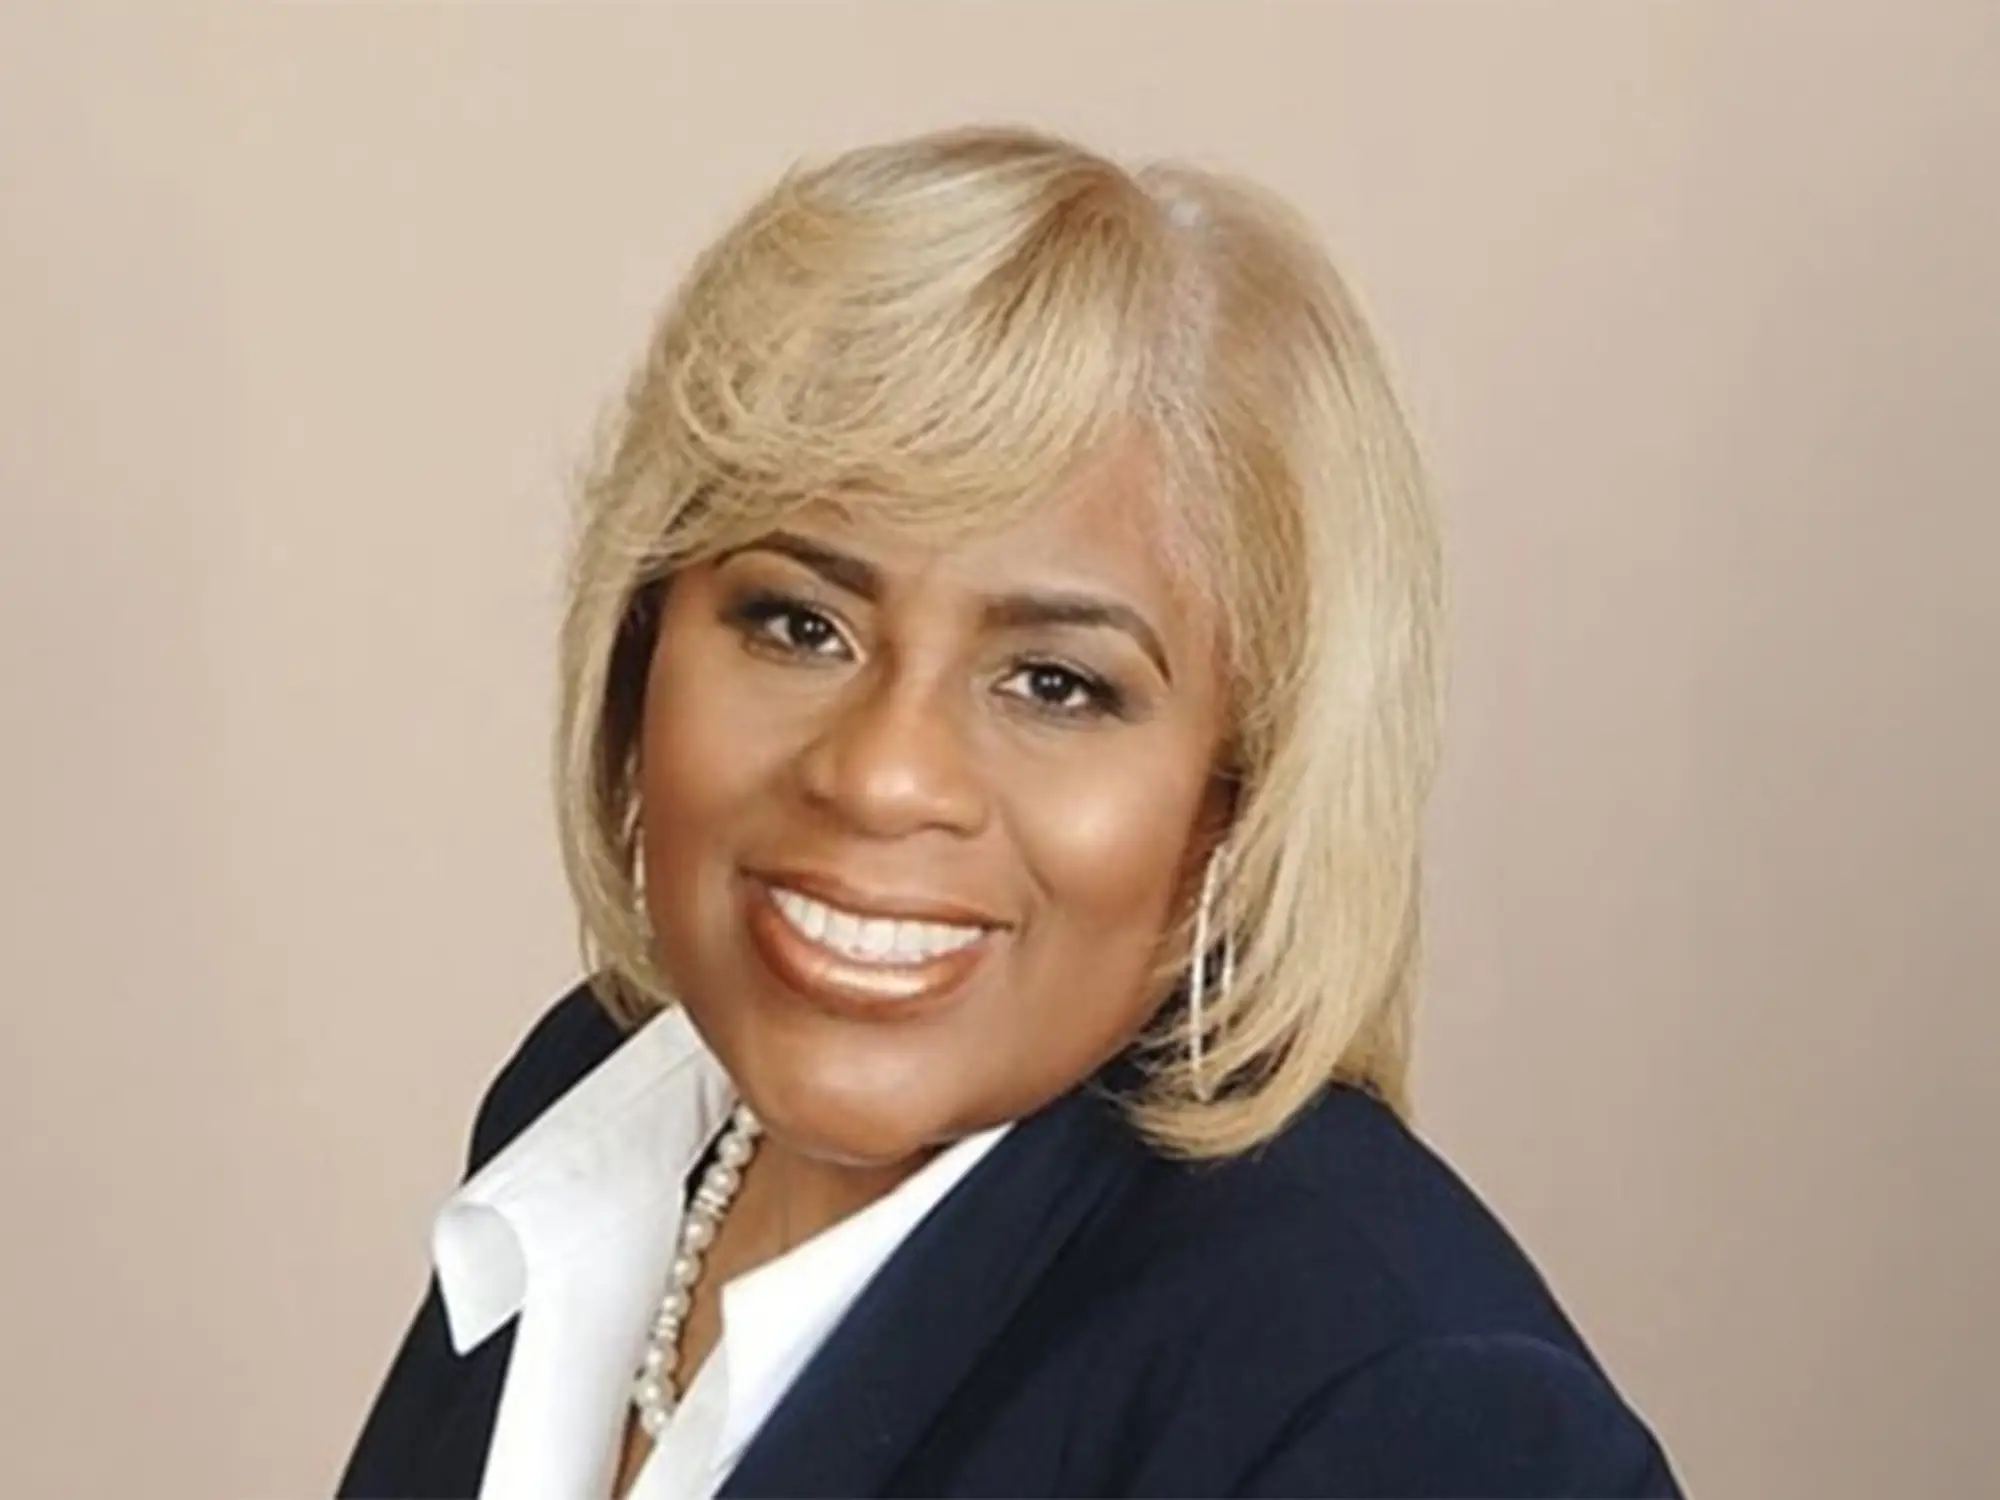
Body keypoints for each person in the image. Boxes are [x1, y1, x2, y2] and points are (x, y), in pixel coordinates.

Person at [336, 124, 1681, 1499]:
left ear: (1246, 784)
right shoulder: (593, 1111)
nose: (881, 773)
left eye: (1055, 682)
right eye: (800, 623)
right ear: (640, 652)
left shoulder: (1406, 1415)